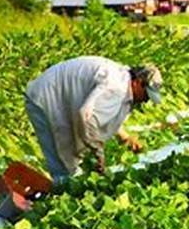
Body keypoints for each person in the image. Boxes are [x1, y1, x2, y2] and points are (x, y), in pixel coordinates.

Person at [24, 57, 162, 184]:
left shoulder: (123, 81)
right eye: (146, 95)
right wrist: (98, 153)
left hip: (62, 99)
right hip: (46, 97)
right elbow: (86, 117)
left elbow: (103, 111)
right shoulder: (116, 88)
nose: (146, 100)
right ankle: (57, 193)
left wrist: (124, 137)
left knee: (71, 159)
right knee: (63, 163)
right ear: (138, 82)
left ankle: (65, 188)